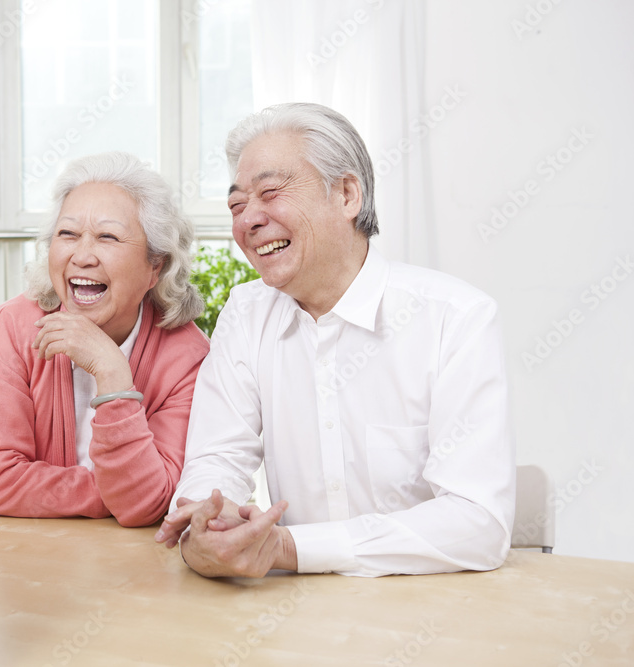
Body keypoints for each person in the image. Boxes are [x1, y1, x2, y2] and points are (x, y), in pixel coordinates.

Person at [155, 103, 515, 578]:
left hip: (432, 610)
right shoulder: (246, 314)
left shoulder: (456, 319)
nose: (249, 221)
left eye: (270, 193)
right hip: (295, 617)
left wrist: (287, 548)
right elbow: (218, 456)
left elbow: (478, 523)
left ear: (347, 195)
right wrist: (206, 521)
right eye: (237, 204)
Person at [0, 152, 210, 526]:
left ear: (155, 266)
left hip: (137, 568)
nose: (82, 255)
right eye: (67, 234)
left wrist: (112, 373)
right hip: (33, 560)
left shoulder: (187, 356)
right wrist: (117, 493)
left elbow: (150, 502)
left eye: (107, 237)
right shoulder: (14, 327)